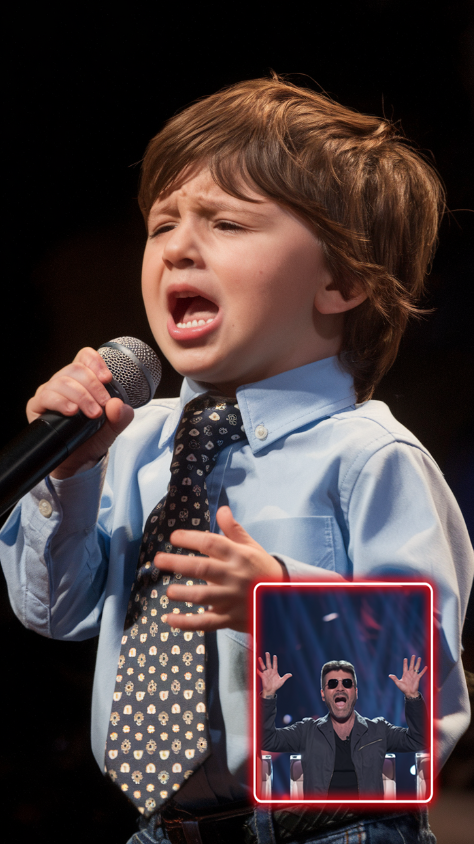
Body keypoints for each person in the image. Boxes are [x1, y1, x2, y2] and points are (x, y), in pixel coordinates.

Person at [1, 75, 473, 842]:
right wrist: (68, 472)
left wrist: (281, 601)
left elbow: (421, 691)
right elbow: (53, 612)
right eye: (161, 226)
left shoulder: (369, 458)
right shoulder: (138, 443)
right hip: (161, 828)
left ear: (341, 279)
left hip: (331, 825)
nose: (179, 247)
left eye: (224, 222)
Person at [259, 653, 427, 798]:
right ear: (323, 695)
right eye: (332, 684)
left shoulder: (378, 729)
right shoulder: (307, 730)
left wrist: (412, 697)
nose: (340, 688)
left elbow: (418, 740)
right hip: (322, 824)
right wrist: (268, 695)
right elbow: (267, 740)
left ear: (355, 692)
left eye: (347, 683)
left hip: (366, 823)